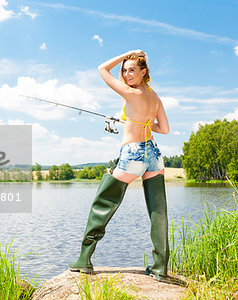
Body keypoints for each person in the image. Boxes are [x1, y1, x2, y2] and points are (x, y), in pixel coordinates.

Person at [68, 50, 170, 282]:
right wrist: (137, 121)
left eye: (132, 69)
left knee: (102, 202)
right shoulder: (155, 97)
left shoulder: (129, 92)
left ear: (144, 71)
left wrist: (127, 53)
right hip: (154, 155)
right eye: (124, 70)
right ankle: (160, 269)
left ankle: (84, 260)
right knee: (158, 212)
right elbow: (164, 129)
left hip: (133, 154)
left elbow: (102, 69)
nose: (126, 74)